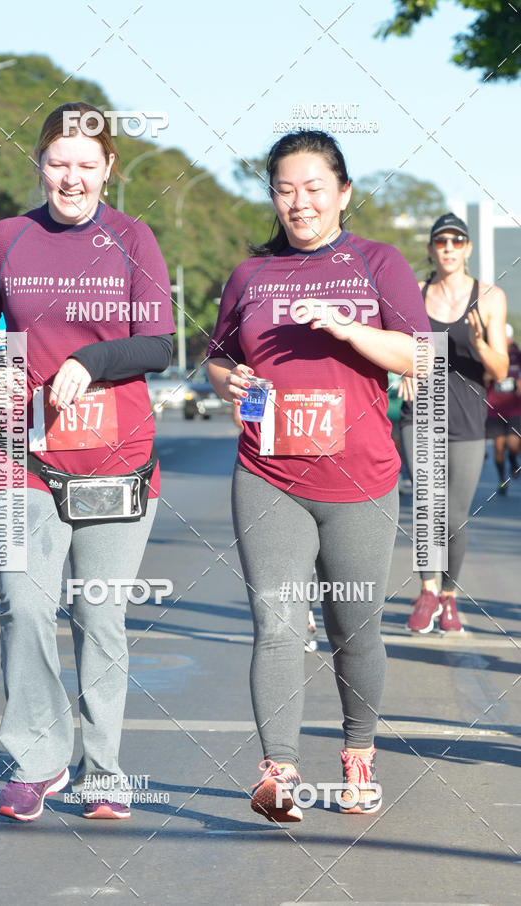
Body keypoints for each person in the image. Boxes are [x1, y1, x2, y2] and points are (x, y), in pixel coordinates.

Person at [0, 101, 175, 821]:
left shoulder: (133, 239)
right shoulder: (6, 239)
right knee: (22, 605)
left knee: (100, 617)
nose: (71, 178)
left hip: (117, 459)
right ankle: (37, 758)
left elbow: (158, 345)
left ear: (110, 167)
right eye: (58, 163)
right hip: (22, 453)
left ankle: (104, 771)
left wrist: (90, 358)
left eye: (86, 165)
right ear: (39, 165)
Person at [207, 130, 430, 822]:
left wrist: (346, 328)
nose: (298, 202)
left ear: (343, 193)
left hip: (361, 479)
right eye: (284, 188)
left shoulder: (378, 262)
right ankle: (279, 772)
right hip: (267, 472)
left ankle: (358, 753)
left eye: (312, 188)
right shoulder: (250, 275)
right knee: (276, 622)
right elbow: (216, 359)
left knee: (355, 625)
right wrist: (230, 383)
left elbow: (420, 357)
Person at [400, 213, 508, 634]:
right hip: (421, 413)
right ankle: (428, 591)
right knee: (427, 508)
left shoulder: (490, 296)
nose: (448, 248)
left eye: (456, 241)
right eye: (440, 242)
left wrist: (480, 342)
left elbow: (499, 370)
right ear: (431, 249)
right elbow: (398, 344)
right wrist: (404, 368)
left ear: (467, 249)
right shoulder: (414, 292)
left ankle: (449, 596)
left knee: (455, 517)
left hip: (467, 416)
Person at [485, 323, 521, 494]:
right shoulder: (490, 355)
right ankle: (502, 480)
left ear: (511, 338)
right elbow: (483, 379)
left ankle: (514, 461)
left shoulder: (517, 355)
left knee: (513, 445)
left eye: (507, 338)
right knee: (498, 448)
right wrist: (490, 373)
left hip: (514, 409)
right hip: (494, 410)